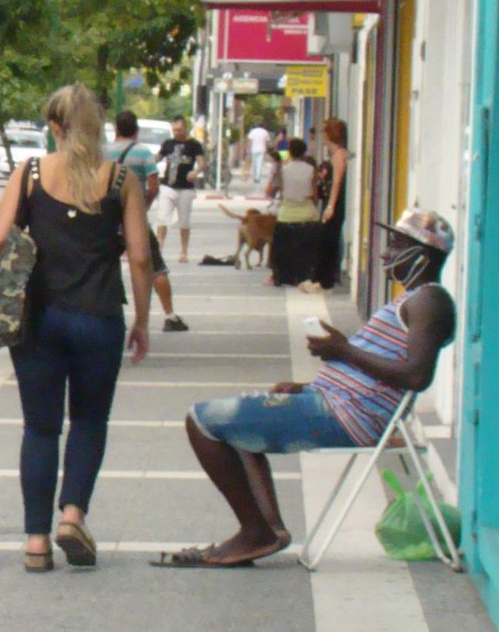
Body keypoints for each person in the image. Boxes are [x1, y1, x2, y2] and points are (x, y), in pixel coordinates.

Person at [157, 208, 457, 568]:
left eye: (395, 245)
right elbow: (384, 368)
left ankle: (256, 532)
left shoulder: (430, 300)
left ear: (420, 254)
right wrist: (309, 384)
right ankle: (266, 530)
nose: (385, 254)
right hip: (334, 403)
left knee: (201, 420)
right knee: (241, 418)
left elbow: (416, 376)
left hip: (347, 416)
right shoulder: (414, 299)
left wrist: (342, 350)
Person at [0, 84, 151, 573]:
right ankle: (73, 514)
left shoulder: (31, 173)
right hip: (98, 316)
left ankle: (36, 542)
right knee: (88, 420)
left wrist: (28, 260)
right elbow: (141, 258)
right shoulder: (121, 179)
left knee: (39, 427)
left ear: (55, 127)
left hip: (39, 317)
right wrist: (143, 321)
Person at [107, 110, 188, 332]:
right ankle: (170, 315)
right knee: (156, 268)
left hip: (107, 222)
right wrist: (143, 205)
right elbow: (153, 186)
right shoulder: (143, 154)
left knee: (103, 266)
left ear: (116, 129)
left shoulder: (102, 153)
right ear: (136, 131)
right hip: (135, 221)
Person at [301, 119, 348, 294]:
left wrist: (330, 206)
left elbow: (336, 183)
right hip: (332, 204)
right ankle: (320, 279)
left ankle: (325, 281)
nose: (322, 135)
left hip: (334, 205)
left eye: (324, 132)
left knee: (328, 241)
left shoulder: (339, 156)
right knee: (326, 240)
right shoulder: (336, 154)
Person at [267, 138, 320, 287]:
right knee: (306, 251)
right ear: (304, 152)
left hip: (286, 214)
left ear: (289, 152)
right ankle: (304, 275)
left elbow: (277, 190)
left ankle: (283, 276)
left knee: (283, 250)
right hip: (308, 214)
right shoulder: (311, 170)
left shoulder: (284, 170)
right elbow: (315, 196)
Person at [155, 115, 205, 263]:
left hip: (185, 189)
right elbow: (158, 157)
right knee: (162, 219)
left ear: (186, 128)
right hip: (167, 186)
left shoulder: (194, 144)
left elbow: (202, 162)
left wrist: (196, 172)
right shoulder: (168, 144)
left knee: (184, 222)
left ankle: (184, 251)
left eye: (180, 129)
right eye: (174, 130)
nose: (177, 132)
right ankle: (159, 249)